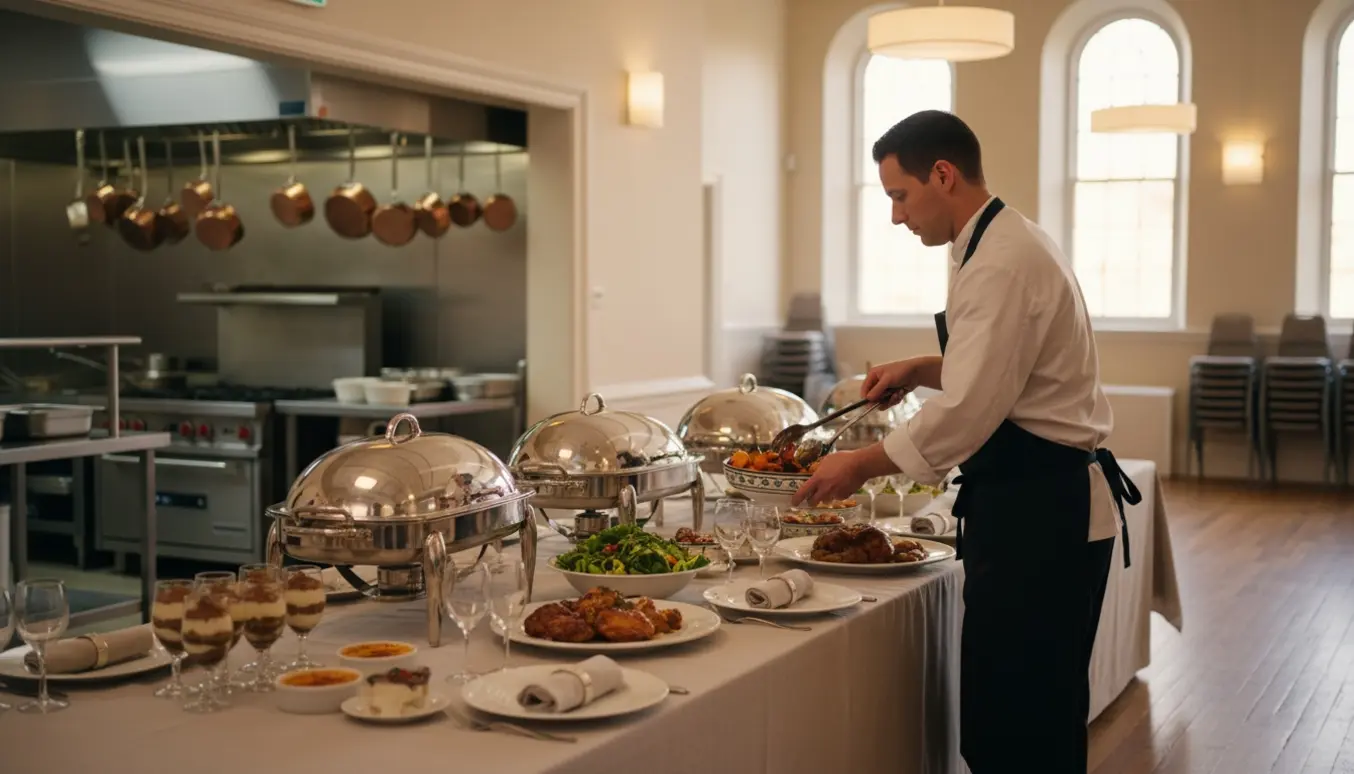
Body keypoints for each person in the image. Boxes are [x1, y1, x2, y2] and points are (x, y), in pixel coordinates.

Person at [791, 109, 1140, 774]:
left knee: (1021, 719)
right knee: (1019, 707)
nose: (896, 216)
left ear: (943, 175)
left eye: (899, 195)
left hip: (1042, 512)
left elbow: (970, 412)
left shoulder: (1002, 262)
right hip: (1031, 503)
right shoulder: (992, 242)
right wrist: (923, 369)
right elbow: (1008, 371)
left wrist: (858, 467)